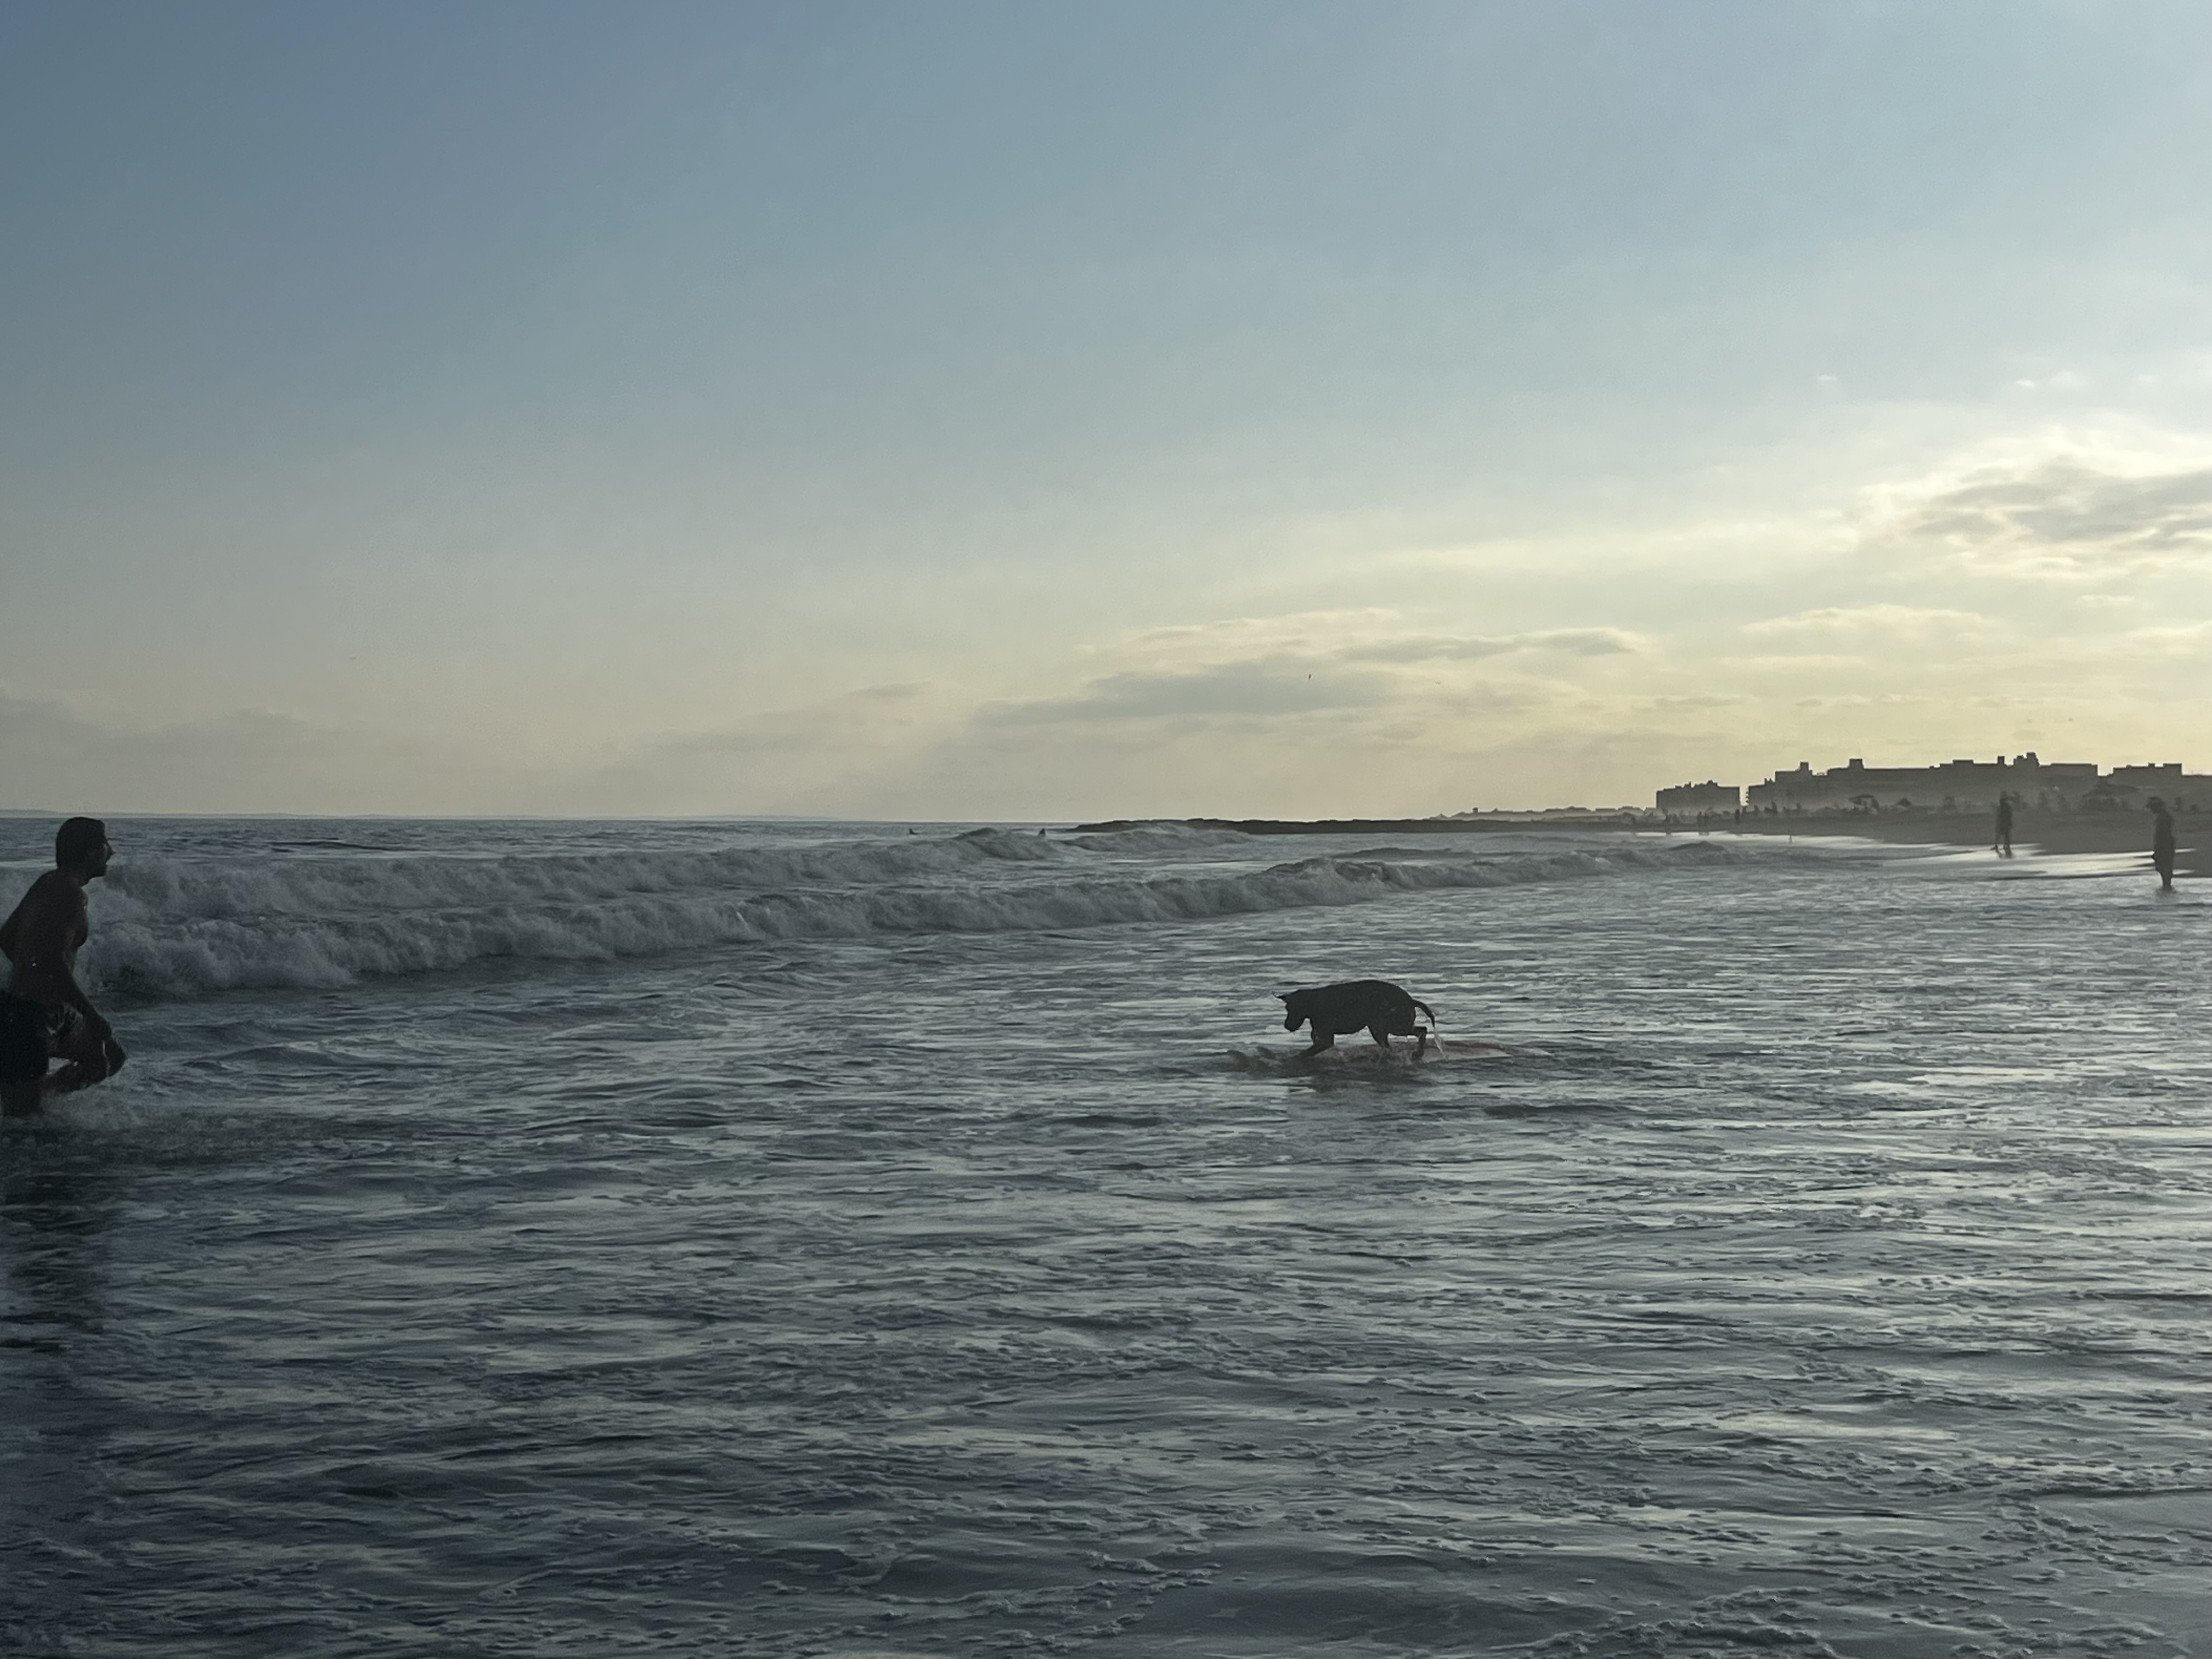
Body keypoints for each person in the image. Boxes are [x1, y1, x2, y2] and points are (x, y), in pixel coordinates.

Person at [0, 817, 126, 1115]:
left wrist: (27, 973)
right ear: (91, 852)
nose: (112, 852)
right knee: (22, 1128)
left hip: (25, 1008)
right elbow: (53, 963)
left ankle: (40, 1096)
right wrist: (91, 1016)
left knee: (105, 1059)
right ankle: (31, 1102)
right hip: (29, 1017)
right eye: (106, 845)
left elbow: (6, 938)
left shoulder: (48, 882)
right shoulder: (71, 895)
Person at [2149, 797, 2177, 894]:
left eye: (2152, 807)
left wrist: (2158, 849)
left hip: (2164, 845)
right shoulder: (2164, 817)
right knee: (2164, 867)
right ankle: (2167, 886)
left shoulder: (2163, 818)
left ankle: (2167, 886)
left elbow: (2161, 834)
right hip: (2166, 844)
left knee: (2164, 867)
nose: (2151, 810)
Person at [1993, 792, 2014, 857]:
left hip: (2002, 824)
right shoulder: (2007, 807)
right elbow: (2009, 815)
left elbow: (1999, 816)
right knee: (2006, 836)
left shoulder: (2001, 807)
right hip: (2005, 824)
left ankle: (1998, 846)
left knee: (2001, 835)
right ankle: (2005, 846)